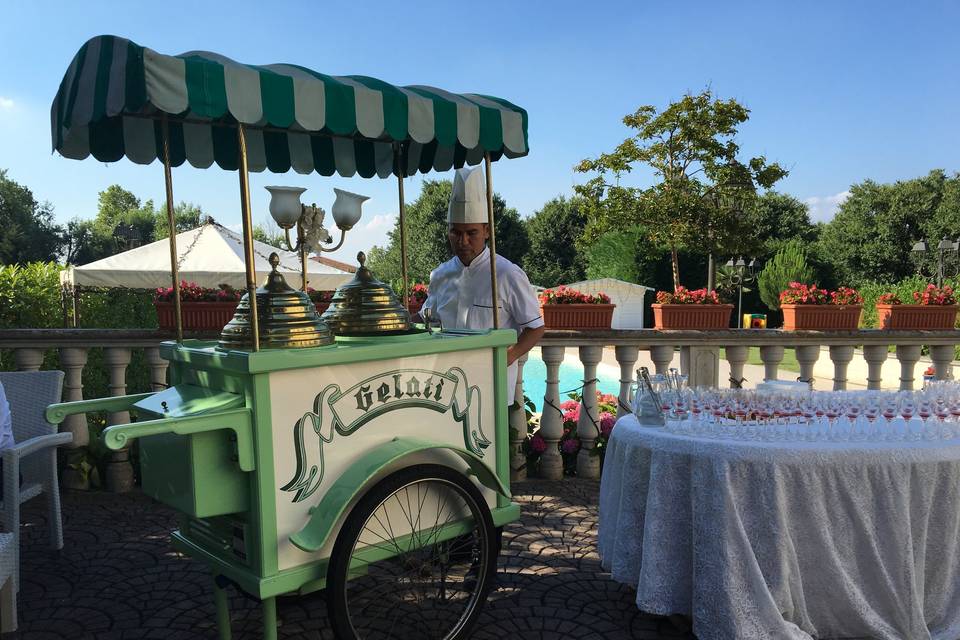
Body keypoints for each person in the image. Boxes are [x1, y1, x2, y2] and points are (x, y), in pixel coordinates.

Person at [417, 166, 545, 405]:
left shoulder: (507, 274)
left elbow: (535, 327)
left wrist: (506, 357)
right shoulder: (440, 275)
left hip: (490, 388)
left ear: (487, 231)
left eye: (471, 232)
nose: (463, 241)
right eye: (456, 232)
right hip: (443, 389)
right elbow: (426, 319)